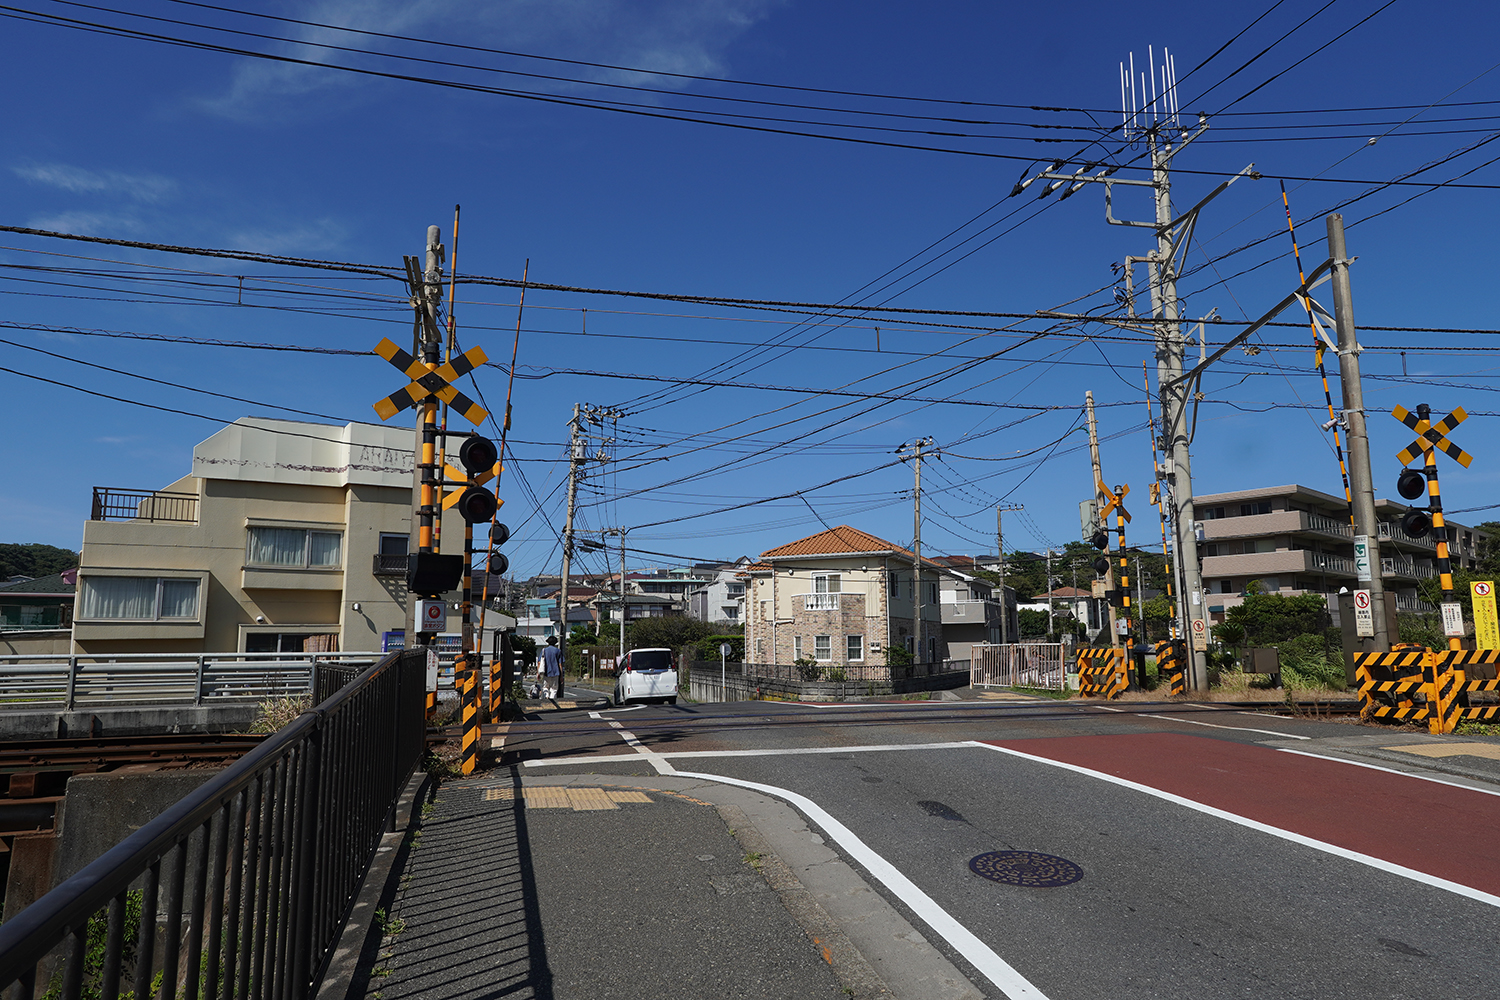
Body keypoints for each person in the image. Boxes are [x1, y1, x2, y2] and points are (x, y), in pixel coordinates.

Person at [541, 634, 563, 700]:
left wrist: (538, 672)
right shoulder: (558, 651)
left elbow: (540, 662)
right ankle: (552, 699)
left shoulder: (544, 650)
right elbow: (560, 664)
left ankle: (546, 695)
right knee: (554, 689)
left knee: (545, 687)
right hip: (556, 672)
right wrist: (561, 676)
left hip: (546, 671)